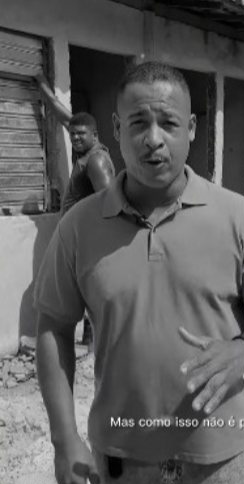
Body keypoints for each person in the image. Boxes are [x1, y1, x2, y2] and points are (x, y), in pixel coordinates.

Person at [34, 61, 244, 484]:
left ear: (190, 129)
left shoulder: (237, 217)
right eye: (139, 123)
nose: (154, 138)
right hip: (124, 460)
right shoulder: (79, 229)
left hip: (223, 458)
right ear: (116, 129)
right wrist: (63, 437)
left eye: (169, 123)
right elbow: (53, 326)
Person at [35, 73, 116, 349]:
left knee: (89, 282)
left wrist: (94, 236)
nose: (76, 138)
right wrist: (43, 87)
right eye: (73, 134)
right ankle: (90, 338)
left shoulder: (97, 161)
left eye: (82, 134)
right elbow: (63, 116)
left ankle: (95, 341)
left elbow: (107, 200)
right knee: (80, 282)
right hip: (77, 233)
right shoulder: (84, 153)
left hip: (88, 235)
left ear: (95, 135)